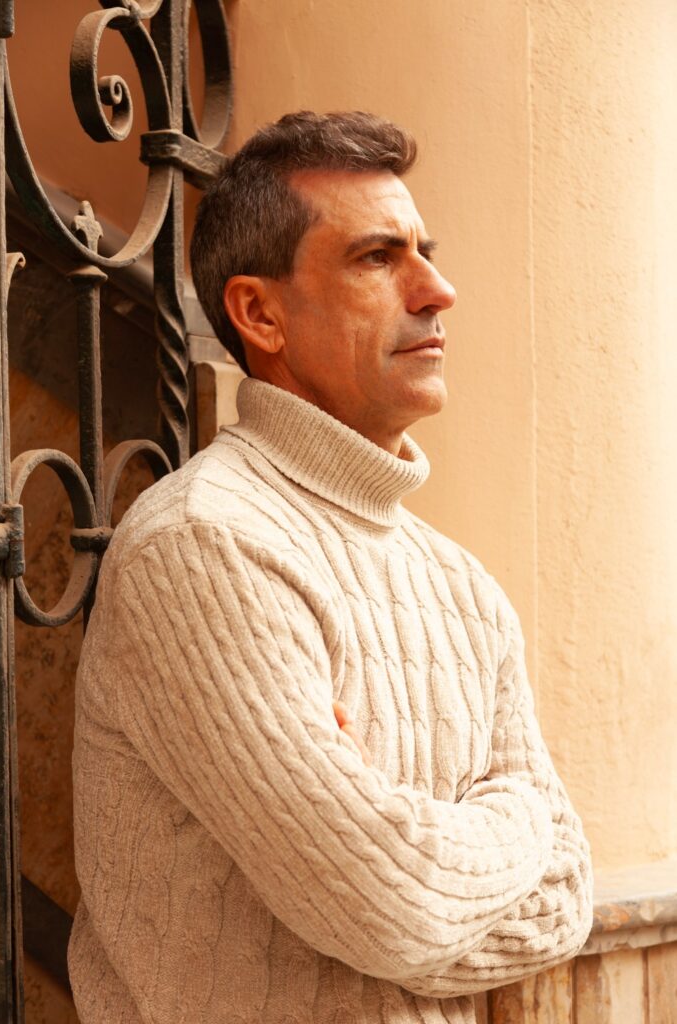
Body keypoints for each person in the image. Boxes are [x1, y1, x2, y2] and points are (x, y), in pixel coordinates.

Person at [68, 111, 593, 1024]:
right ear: (259, 314)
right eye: (376, 258)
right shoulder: (205, 546)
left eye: (424, 253)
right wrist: (516, 824)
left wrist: (407, 850)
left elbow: (565, 902)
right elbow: (390, 911)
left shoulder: (463, 587)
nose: (437, 291)